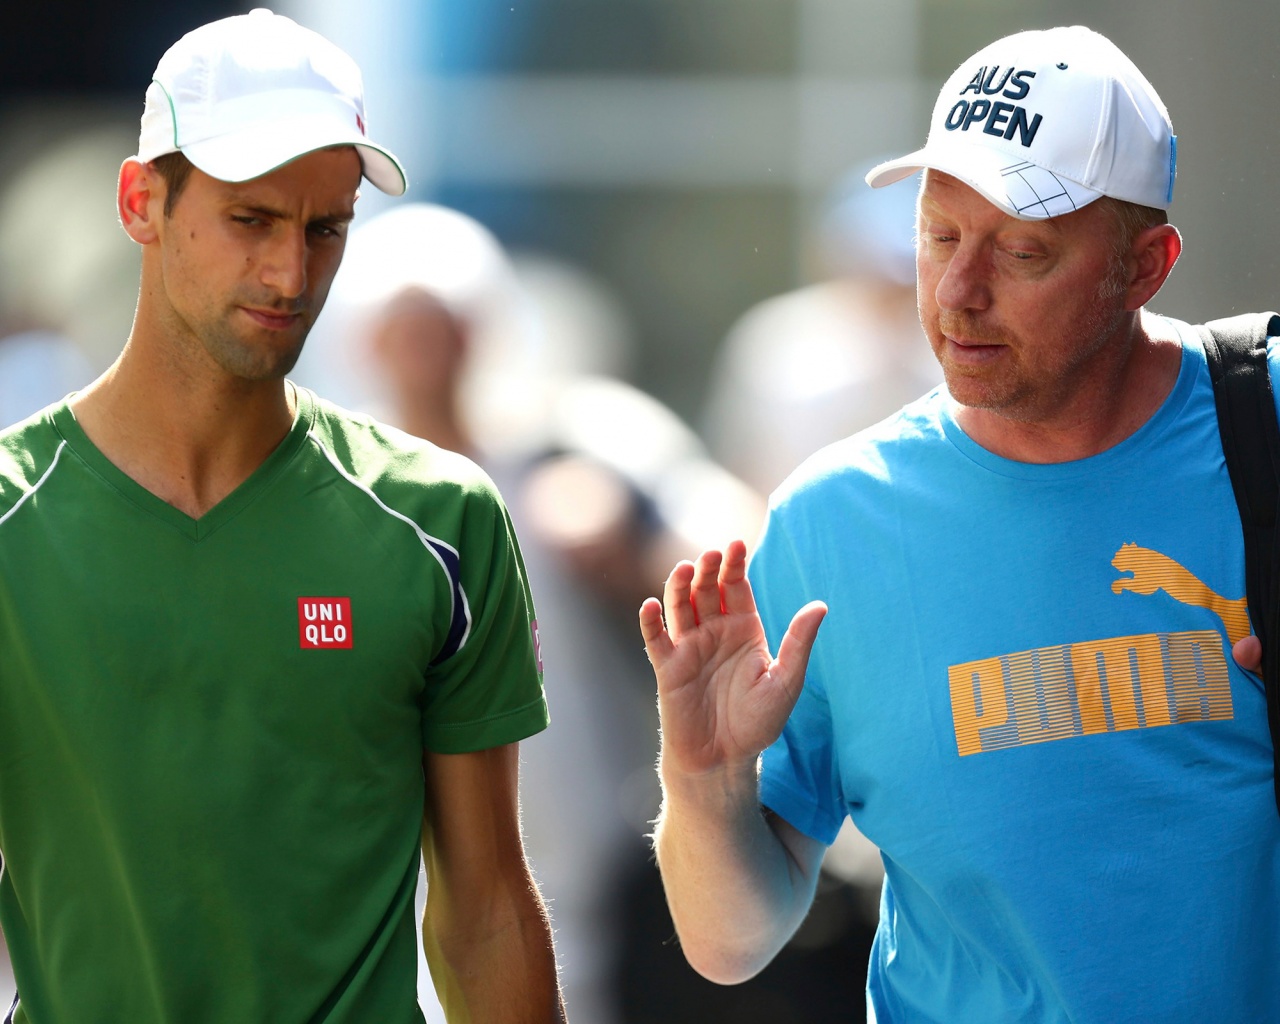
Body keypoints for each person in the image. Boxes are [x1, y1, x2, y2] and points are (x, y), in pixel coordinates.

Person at [641, 24, 1280, 1023]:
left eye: (1022, 251)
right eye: (937, 233)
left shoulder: (1261, 422)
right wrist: (705, 773)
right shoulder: (832, 523)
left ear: (1144, 266)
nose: (955, 292)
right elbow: (729, 942)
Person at [0, 11, 565, 1024]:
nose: (290, 275)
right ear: (142, 202)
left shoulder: (442, 519)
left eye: (326, 227)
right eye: (250, 220)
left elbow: (483, 911)